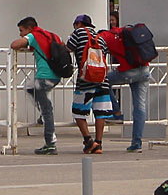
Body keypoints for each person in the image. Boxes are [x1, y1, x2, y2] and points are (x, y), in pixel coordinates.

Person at [101, 18, 153, 153]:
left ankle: (116, 111)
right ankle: (137, 143)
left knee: (103, 80)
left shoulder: (104, 37)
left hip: (128, 71)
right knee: (140, 107)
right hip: (144, 70)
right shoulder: (125, 32)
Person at [11, 16, 61, 155]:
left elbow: (14, 45)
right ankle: (43, 114)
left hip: (44, 77)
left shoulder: (34, 36)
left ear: (29, 28)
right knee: (28, 87)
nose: (21, 34)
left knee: (47, 111)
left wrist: (26, 41)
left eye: (21, 31)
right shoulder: (53, 35)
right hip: (56, 75)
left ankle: (50, 144)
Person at [67, 14, 112, 154]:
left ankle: (88, 141)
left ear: (78, 24)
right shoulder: (101, 38)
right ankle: (98, 144)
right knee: (100, 113)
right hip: (102, 80)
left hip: (86, 80)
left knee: (78, 112)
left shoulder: (78, 33)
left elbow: (68, 48)